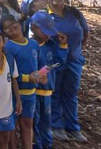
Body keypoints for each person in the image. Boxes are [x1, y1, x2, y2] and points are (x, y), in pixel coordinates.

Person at [45, 0, 89, 143]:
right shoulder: (44, 16)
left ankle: (73, 127)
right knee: (55, 93)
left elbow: (85, 33)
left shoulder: (74, 13)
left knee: (71, 94)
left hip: (74, 61)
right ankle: (56, 126)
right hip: (55, 62)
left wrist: (76, 51)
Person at [0, 16, 41, 149]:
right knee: (12, 126)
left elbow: (39, 66)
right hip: (14, 93)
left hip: (31, 93)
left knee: (28, 123)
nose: (11, 28)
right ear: (4, 33)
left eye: (13, 24)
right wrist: (27, 78)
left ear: (19, 23)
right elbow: (9, 73)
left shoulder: (33, 44)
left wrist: (42, 75)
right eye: (6, 27)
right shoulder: (9, 48)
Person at [29, 11, 68, 149]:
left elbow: (58, 63)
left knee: (46, 122)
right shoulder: (27, 45)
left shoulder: (51, 44)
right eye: (44, 31)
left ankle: (47, 145)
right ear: (33, 27)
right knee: (34, 123)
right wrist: (40, 74)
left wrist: (63, 46)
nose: (48, 34)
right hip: (32, 92)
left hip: (46, 91)